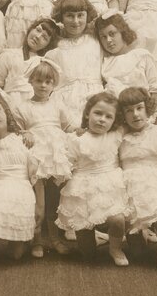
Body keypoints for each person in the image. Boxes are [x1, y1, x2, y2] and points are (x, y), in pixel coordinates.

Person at [56, 92, 134, 266]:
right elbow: (68, 164)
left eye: (108, 116)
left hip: (110, 183)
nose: (102, 119)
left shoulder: (116, 134)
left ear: (115, 120)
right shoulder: (76, 139)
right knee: (88, 255)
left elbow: (134, 122)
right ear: (87, 114)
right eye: (98, 113)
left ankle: (115, 248)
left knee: (118, 220)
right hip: (83, 185)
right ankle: (91, 242)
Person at [0, 90, 42, 270]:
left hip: (21, 189)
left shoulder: (22, 140)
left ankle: (19, 241)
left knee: (16, 255)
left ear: (6, 112)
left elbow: (36, 175)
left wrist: (40, 206)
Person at [14, 59, 75, 257]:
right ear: (31, 81)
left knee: (54, 199)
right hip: (36, 156)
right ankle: (37, 240)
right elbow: (16, 130)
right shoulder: (23, 107)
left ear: (54, 84)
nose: (43, 85)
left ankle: (55, 239)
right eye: (39, 81)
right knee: (37, 201)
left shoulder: (58, 105)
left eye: (48, 82)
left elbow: (69, 127)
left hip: (56, 156)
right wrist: (25, 132)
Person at [118, 87, 157, 268]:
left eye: (139, 108)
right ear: (123, 114)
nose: (135, 114)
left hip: (156, 183)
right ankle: (139, 234)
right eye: (129, 111)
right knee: (137, 254)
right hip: (128, 185)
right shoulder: (120, 137)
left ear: (147, 108)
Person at [44, 0, 103, 126]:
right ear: (61, 17)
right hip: (64, 103)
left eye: (80, 15)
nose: (76, 21)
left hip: (94, 97)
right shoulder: (55, 45)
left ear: (87, 15)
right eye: (70, 16)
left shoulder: (95, 39)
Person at [96, 10, 157, 118]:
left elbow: (155, 90)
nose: (108, 40)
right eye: (103, 37)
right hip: (117, 117)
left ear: (122, 32)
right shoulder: (105, 63)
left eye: (112, 34)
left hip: (143, 117)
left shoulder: (142, 56)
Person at [0, 16, 59, 108]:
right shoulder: (8, 55)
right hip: (8, 105)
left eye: (44, 38)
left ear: (48, 45)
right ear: (30, 29)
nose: (38, 37)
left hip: (34, 108)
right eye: (38, 30)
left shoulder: (44, 64)